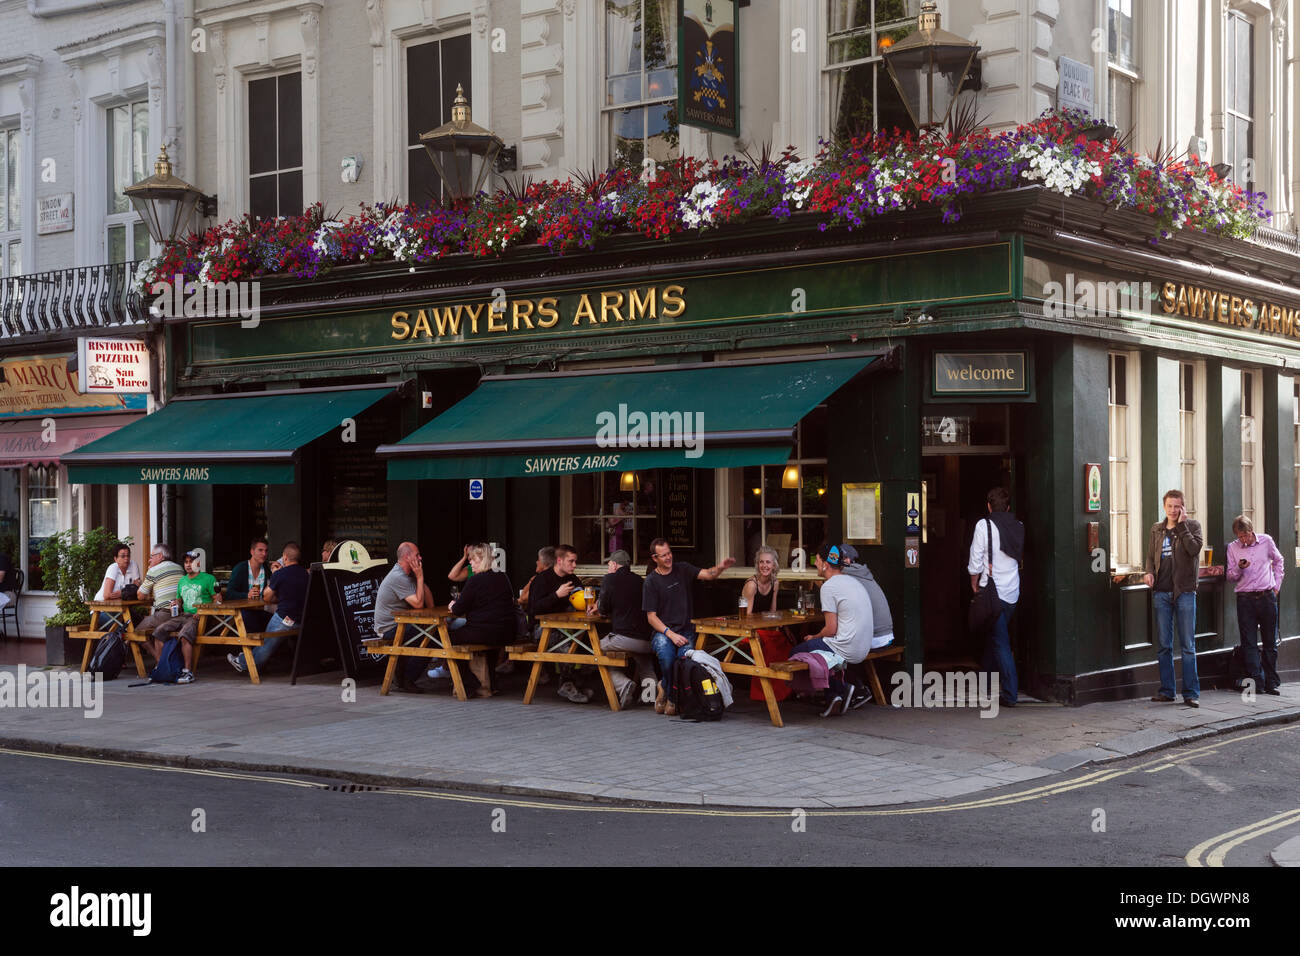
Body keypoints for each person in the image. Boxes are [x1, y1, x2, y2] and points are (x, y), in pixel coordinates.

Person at [643, 538, 735, 716]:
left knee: (684, 662)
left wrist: (722, 567)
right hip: (663, 631)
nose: (668, 558)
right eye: (663, 556)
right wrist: (671, 635)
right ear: (655, 558)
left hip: (685, 629)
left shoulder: (682, 569)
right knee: (668, 659)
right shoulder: (651, 581)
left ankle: (667, 690)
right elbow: (651, 617)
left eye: (669, 553)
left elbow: (708, 574)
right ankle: (672, 696)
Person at [790, 545, 873, 716]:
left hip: (847, 648)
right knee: (819, 651)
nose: (816, 564)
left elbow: (830, 629)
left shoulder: (829, 586)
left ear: (825, 565)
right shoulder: (852, 580)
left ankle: (841, 689)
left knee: (797, 652)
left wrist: (814, 637)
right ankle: (835, 695)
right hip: (864, 646)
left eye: (817, 561)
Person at [1144, 489, 1202, 707]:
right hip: (1161, 592)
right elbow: (1150, 556)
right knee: (1164, 645)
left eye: (1177, 506)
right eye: (1169, 506)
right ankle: (1167, 690)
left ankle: (1191, 693)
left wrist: (1182, 526)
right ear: (1164, 506)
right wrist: (1149, 572)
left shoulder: (1193, 526)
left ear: (1183, 507)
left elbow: (1194, 549)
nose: (1173, 510)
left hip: (1185, 592)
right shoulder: (1156, 529)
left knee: (1187, 645)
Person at [968, 486, 1024, 709]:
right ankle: (984, 681)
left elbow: (975, 559)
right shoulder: (1019, 526)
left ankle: (1010, 693)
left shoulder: (984, 525)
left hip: (992, 594)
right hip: (1012, 593)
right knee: (994, 636)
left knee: (1001, 642)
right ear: (1008, 507)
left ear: (989, 506)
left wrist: (974, 583)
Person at [445, 543, 517, 697]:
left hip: (484, 631)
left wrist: (453, 605)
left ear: (482, 560)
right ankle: (491, 684)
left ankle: (470, 682)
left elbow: (458, 610)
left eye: (473, 560)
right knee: (487, 644)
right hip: (507, 632)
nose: (470, 563)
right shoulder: (502, 577)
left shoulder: (475, 580)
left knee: (445, 639)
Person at [229, 542, 309, 675]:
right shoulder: (305, 573)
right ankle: (251, 662)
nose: (264, 554)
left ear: (284, 557)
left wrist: (275, 574)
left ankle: (244, 663)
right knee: (264, 633)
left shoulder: (280, 573)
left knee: (266, 643)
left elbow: (266, 597)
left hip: (285, 618)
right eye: (260, 550)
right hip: (301, 619)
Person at [1225, 514, 1284, 696]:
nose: (1244, 540)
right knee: (1249, 642)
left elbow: (1279, 561)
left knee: (1269, 641)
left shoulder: (1266, 541)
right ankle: (1257, 682)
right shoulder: (1233, 548)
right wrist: (1239, 568)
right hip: (1245, 599)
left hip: (1267, 596)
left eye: (1246, 535)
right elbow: (1230, 576)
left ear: (1251, 531)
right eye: (1240, 536)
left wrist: (1276, 586)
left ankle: (1271, 682)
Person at [527, 544, 587, 703]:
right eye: (571, 561)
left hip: (566, 628)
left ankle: (571, 683)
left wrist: (590, 604)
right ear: (559, 561)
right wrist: (556, 595)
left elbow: (581, 596)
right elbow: (533, 610)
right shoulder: (542, 580)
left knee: (587, 642)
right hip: (540, 630)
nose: (574, 565)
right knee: (569, 645)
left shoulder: (572, 578)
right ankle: (568, 684)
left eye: (575, 562)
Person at [143, 548, 213, 684]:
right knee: (159, 631)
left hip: (198, 617)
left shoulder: (208, 579)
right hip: (182, 615)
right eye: (186, 562)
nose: (187, 564)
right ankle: (161, 666)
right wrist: (176, 603)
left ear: (198, 563)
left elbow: (217, 600)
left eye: (191, 562)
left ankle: (187, 671)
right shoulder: (182, 580)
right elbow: (180, 600)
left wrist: (203, 611)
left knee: (184, 634)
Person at [373, 541, 434, 691]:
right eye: (417, 555)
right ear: (407, 557)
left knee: (432, 633)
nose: (420, 558)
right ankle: (407, 679)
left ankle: (403, 677)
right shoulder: (398, 576)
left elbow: (429, 603)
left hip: (401, 624)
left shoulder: (407, 574)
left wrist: (419, 577)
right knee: (433, 637)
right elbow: (419, 604)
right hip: (389, 628)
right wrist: (419, 577)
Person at [598, 549, 654, 708]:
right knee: (644, 661)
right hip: (647, 641)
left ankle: (623, 684)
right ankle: (650, 696)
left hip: (624, 639)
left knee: (596, 651)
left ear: (614, 565)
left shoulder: (610, 579)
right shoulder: (640, 580)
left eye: (609, 564)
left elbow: (603, 609)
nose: (608, 568)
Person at [134, 544, 185, 644]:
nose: (149, 560)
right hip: (180, 613)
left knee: (136, 633)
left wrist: (149, 571)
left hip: (164, 614)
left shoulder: (153, 571)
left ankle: (157, 657)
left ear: (160, 556)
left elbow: (140, 596)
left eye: (152, 556)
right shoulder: (180, 568)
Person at [227, 537, 273, 632]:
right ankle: (256, 646)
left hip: (258, 611)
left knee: (276, 622)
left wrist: (277, 573)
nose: (264, 554)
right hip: (239, 611)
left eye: (266, 551)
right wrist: (246, 595)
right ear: (252, 552)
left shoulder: (267, 570)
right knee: (252, 621)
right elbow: (229, 594)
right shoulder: (241, 568)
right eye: (260, 550)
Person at [92, 542, 141, 630]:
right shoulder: (113, 568)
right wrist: (126, 592)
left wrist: (122, 593)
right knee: (125, 631)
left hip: (121, 610)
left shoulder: (133, 565)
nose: (126, 559)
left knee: (140, 624)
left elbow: (137, 589)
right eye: (122, 556)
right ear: (115, 559)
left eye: (128, 556)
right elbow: (107, 595)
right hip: (101, 610)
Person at [741, 545, 781, 612]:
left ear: (774, 565)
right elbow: (747, 617)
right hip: (748, 621)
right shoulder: (752, 585)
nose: (764, 565)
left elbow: (773, 612)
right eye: (761, 562)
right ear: (757, 564)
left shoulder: (775, 583)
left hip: (765, 621)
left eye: (768, 562)